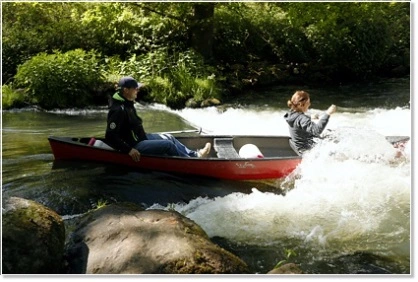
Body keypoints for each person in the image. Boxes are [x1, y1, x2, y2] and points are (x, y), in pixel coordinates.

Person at [105, 76, 211, 162]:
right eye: (135, 88)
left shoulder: (127, 102)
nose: (137, 90)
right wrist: (129, 150)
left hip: (141, 138)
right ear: (126, 90)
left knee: (169, 137)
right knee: (168, 145)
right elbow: (110, 136)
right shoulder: (118, 110)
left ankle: (196, 155)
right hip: (134, 145)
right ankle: (190, 162)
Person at [284, 90, 337, 156]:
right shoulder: (302, 118)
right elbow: (317, 131)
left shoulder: (291, 114)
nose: (309, 104)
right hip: (307, 151)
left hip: (300, 148)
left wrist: (310, 117)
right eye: (308, 102)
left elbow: (298, 120)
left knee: (331, 134)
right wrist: (328, 114)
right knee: (335, 141)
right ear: (301, 104)